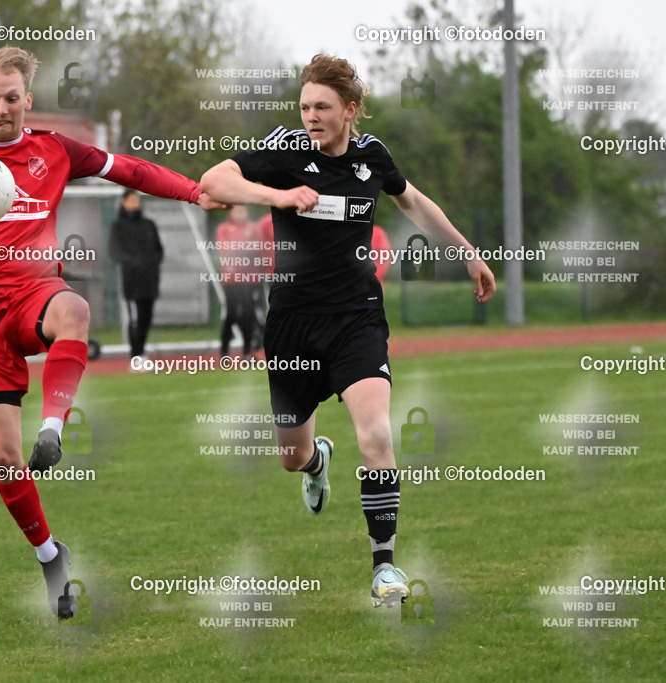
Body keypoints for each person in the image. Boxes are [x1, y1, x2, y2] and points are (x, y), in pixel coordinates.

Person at [0, 46, 222, 618]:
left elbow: (129, 169)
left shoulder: (54, 150)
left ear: (27, 100)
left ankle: (54, 427)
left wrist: (191, 190)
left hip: (34, 294)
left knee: (75, 311)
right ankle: (49, 554)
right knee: (3, 458)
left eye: (13, 98)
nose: (2, 108)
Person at [200, 54, 495, 607]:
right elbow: (215, 180)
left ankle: (384, 565)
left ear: (350, 110)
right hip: (291, 325)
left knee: (378, 436)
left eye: (323, 108)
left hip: (357, 318)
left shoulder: (372, 156)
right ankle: (316, 461)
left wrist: (467, 253)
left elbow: (413, 202)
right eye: (306, 106)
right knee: (290, 455)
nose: (311, 116)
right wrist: (280, 196)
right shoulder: (286, 151)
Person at [108, 189, 164, 358]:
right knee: (135, 318)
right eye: (132, 200)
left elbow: (158, 250)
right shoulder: (117, 227)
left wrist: (152, 263)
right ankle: (136, 355)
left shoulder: (149, 224)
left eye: (137, 200)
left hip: (150, 280)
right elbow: (115, 252)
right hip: (132, 282)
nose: (135, 203)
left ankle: (141, 351)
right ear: (124, 202)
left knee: (146, 318)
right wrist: (134, 263)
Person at [215, 205, 262, 357]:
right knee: (231, 314)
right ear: (231, 212)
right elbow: (225, 250)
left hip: (250, 277)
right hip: (231, 278)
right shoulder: (224, 229)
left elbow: (260, 248)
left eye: (243, 210)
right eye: (237, 210)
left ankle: (247, 352)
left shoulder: (253, 228)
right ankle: (224, 351)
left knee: (249, 313)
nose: (240, 213)